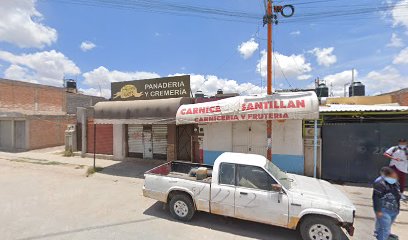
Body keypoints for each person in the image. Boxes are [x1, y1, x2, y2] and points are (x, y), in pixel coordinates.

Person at [373, 167, 401, 240]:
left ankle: (378, 234)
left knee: (385, 228)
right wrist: (378, 210)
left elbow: (398, 195)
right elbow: (376, 197)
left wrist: (397, 209)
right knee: (384, 229)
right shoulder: (379, 183)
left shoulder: (395, 182)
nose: (395, 178)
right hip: (384, 210)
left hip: (393, 210)